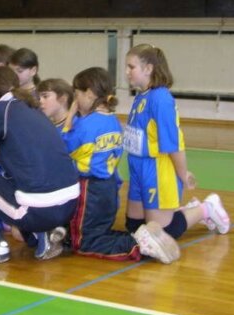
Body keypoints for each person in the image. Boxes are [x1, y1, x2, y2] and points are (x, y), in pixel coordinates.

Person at [0, 67, 79, 263]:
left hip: (39, 209)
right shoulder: (33, 108)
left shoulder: (1, 109)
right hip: (69, 205)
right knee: (17, 179)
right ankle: (42, 234)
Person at [63, 67, 180, 263]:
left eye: (77, 95)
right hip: (109, 186)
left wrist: (69, 119)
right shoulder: (113, 121)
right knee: (99, 232)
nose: (76, 101)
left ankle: (139, 245)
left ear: (89, 93)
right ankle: (143, 237)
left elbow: (63, 146)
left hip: (90, 189)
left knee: (84, 243)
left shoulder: (85, 125)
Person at [123, 44, 231, 244]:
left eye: (131, 67)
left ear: (148, 69)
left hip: (157, 169)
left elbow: (172, 144)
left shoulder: (161, 99)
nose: (126, 72)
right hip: (138, 167)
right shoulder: (142, 96)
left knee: (161, 233)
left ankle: (206, 209)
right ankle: (179, 212)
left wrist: (183, 175)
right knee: (134, 227)